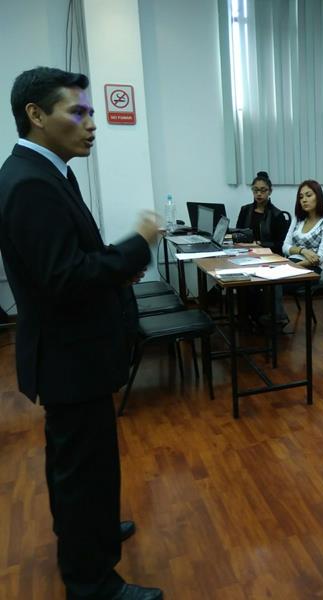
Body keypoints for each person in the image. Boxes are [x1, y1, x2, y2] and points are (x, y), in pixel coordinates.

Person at [0, 67, 162, 599]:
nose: (91, 124)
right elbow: (66, 279)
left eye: (91, 112)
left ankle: (86, 534)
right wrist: (136, 246)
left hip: (77, 354)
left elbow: (69, 260)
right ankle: (92, 583)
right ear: (37, 115)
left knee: (81, 467)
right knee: (80, 469)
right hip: (72, 358)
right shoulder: (29, 183)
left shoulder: (47, 173)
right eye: (78, 112)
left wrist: (116, 266)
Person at [282, 179, 323, 272]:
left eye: (309, 195)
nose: (304, 200)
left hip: (310, 268)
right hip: (291, 263)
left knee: (281, 283)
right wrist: (303, 251)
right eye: (301, 197)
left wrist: (292, 267)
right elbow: (285, 247)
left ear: (318, 197)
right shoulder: (297, 219)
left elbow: (319, 258)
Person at [235, 171, 290, 255]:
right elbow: (238, 233)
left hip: (268, 255)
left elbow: (281, 244)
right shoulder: (245, 210)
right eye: (255, 190)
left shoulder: (277, 215)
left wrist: (260, 244)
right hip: (245, 252)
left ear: (270, 191)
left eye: (263, 190)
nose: (259, 194)